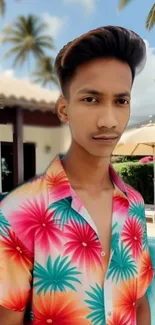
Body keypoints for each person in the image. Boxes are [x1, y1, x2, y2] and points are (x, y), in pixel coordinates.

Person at [0, 26, 154, 325]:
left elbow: (139, 302)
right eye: (91, 99)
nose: (108, 120)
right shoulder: (19, 212)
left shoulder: (133, 203)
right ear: (63, 108)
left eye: (121, 101)